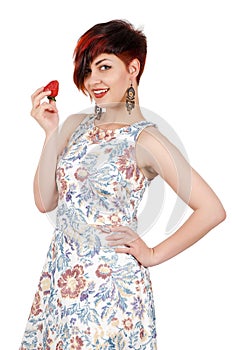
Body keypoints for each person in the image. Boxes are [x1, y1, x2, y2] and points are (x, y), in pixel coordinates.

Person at [20, 19, 226, 349]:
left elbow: (212, 210)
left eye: (104, 66)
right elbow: (45, 202)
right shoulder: (74, 125)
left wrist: (153, 253)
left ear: (133, 68)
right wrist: (50, 132)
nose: (93, 81)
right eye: (87, 71)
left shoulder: (147, 140)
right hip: (61, 282)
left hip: (110, 293)